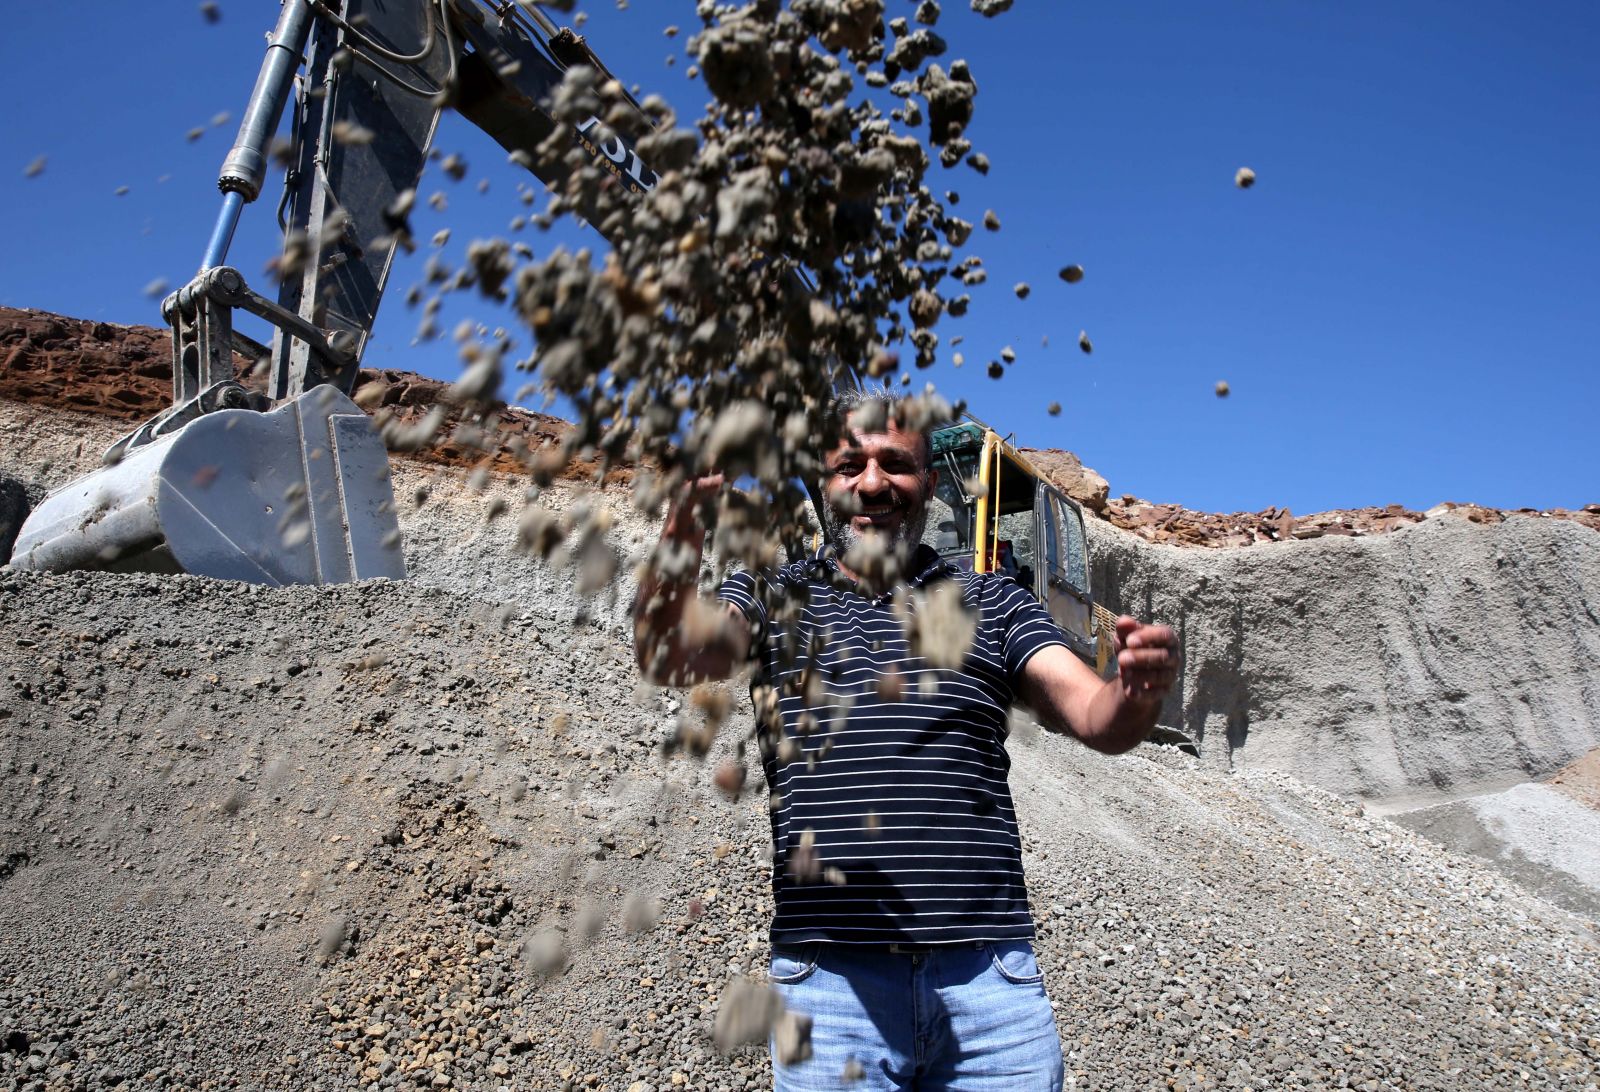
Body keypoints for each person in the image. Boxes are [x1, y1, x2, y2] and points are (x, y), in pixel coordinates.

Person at [633, 390, 1178, 1090]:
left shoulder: (996, 600)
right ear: (823, 481)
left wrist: (1135, 691)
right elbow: (670, 656)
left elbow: (1098, 719)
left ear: (930, 482)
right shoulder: (772, 594)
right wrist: (683, 522)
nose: (871, 483)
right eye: (848, 463)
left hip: (989, 989)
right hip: (829, 987)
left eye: (896, 463)